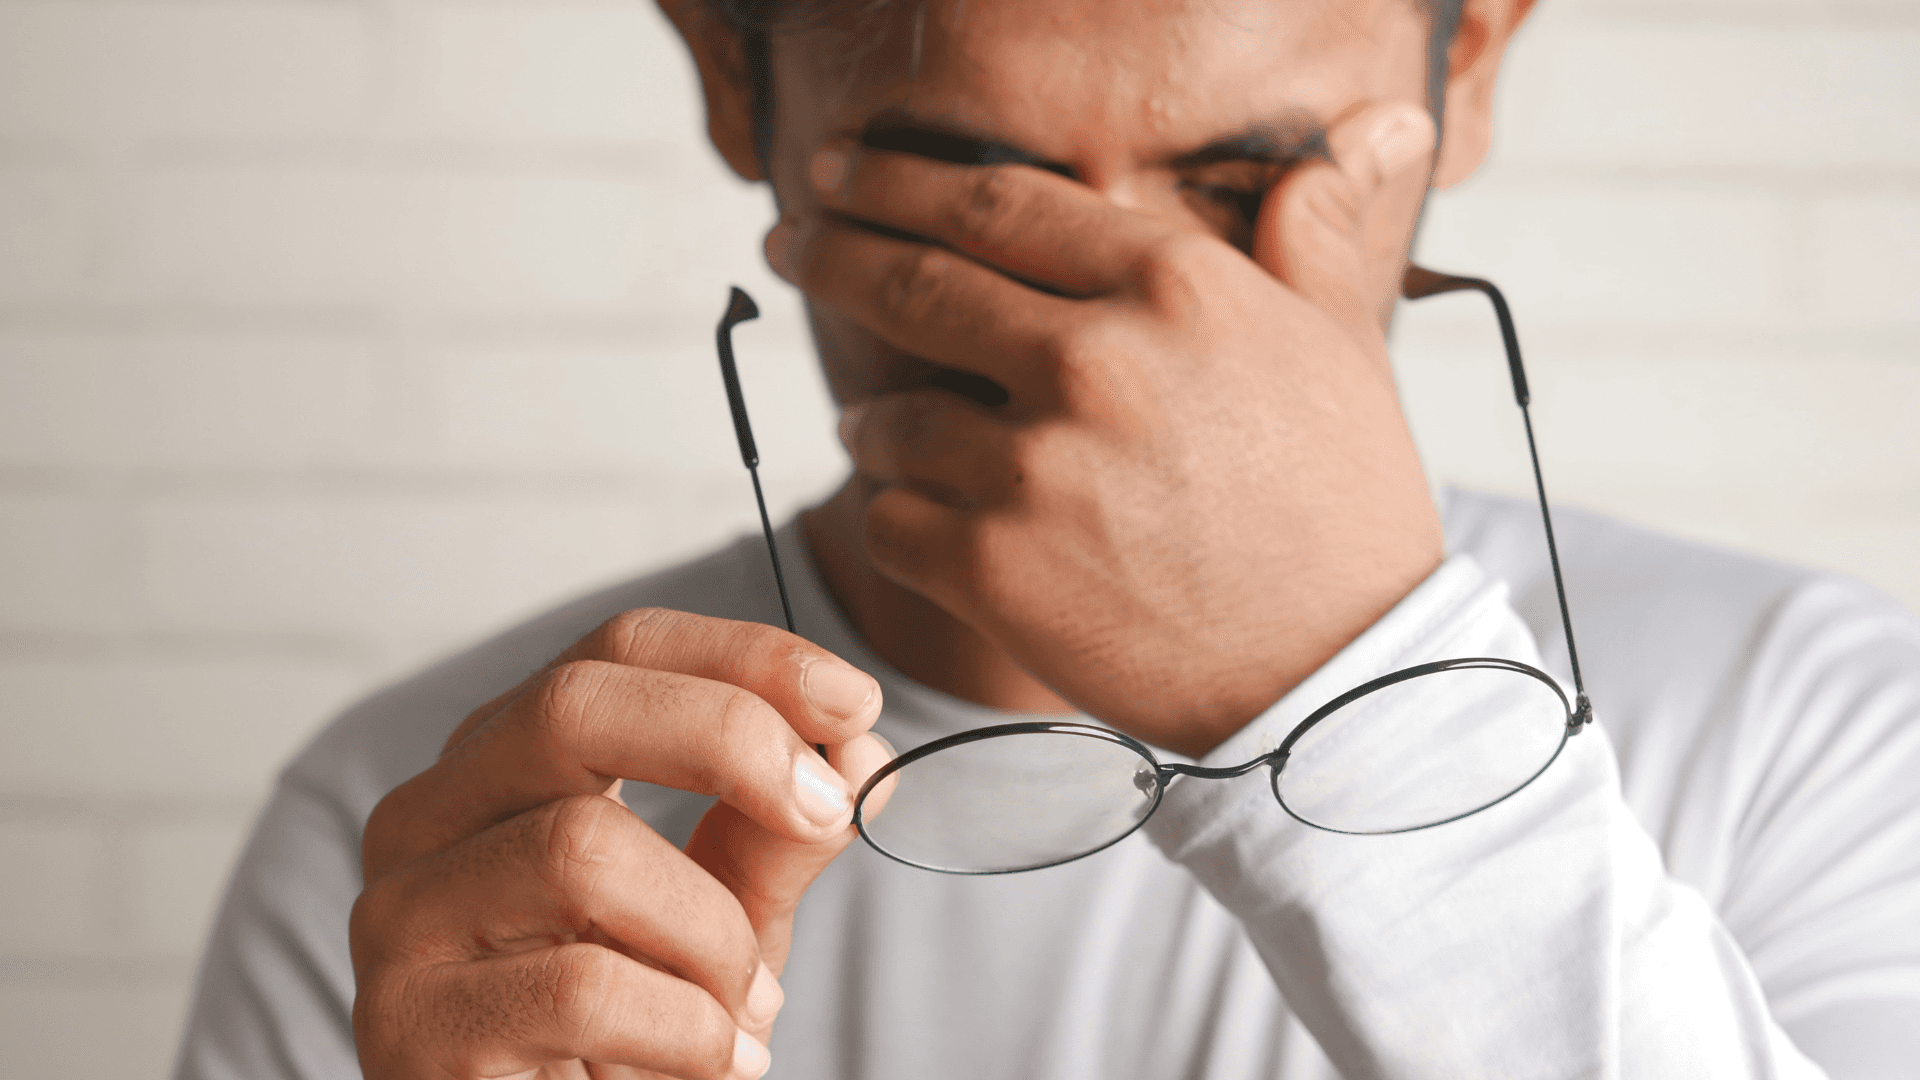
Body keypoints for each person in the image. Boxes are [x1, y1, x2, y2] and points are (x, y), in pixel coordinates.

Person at [174, 0, 1920, 1077]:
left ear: (1466, 60)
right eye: (963, 186)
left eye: (1242, 188)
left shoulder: (1816, 734)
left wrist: (1358, 679)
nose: (1120, 325)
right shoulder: (448, 834)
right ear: (730, 70)